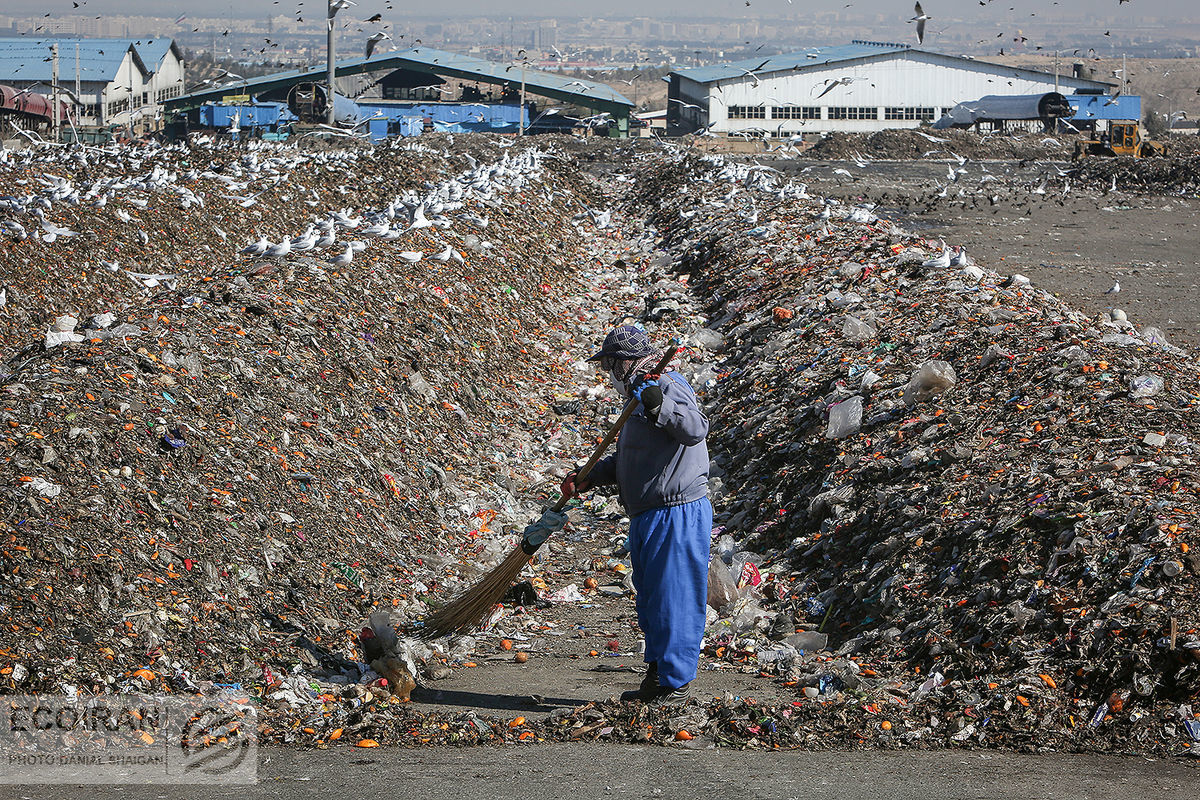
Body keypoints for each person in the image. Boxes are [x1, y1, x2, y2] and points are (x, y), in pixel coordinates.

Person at [562, 325, 712, 705]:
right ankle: (658, 675)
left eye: (609, 365)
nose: (608, 374)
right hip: (650, 515)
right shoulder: (637, 397)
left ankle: (675, 684)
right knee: (654, 600)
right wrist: (590, 476)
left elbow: (693, 429)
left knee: (674, 598)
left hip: (676, 512)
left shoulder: (666, 385)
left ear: (620, 362)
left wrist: (658, 402)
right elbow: (634, 459)